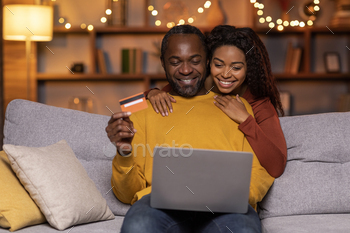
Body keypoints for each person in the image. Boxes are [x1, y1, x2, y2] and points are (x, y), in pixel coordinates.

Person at [106, 25, 274, 233]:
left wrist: (238, 195)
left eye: (195, 61)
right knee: (139, 227)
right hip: (159, 207)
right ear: (163, 64)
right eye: (175, 62)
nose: (185, 70)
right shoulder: (141, 110)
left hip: (226, 207)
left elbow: (260, 170)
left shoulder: (237, 107)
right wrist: (124, 153)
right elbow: (125, 193)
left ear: (207, 61)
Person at [144, 25, 287, 178]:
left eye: (236, 67)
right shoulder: (195, 84)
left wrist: (246, 120)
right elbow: (128, 106)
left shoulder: (258, 103)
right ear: (208, 62)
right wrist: (150, 93)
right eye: (218, 65)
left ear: (248, 69)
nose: (226, 74)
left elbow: (276, 167)